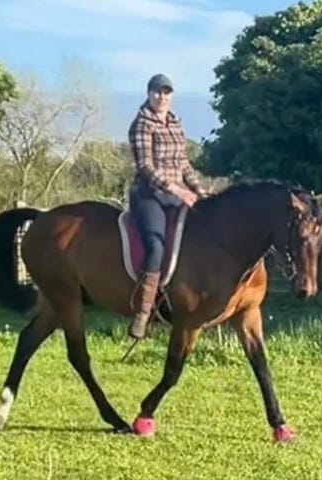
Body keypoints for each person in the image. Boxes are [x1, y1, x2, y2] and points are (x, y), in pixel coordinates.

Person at [127, 73, 208, 339]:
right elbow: (145, 166)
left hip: (177, 195)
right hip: (149, 195)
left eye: (166, 92)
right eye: (157, 92)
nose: (161, 97)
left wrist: (201, 192)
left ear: (172, 96)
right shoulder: (141, 124)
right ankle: (143, 312)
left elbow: (183, 163)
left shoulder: (175, 123)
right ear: (149, 94)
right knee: (156, 245)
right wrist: (177, 189)